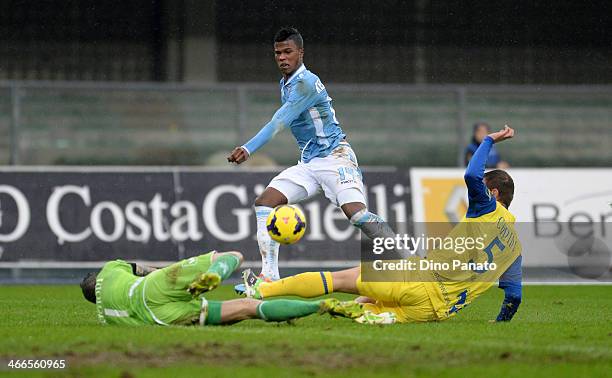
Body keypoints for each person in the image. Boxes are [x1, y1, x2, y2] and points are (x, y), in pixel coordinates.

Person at [241, 125, 523, 324]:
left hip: (418, 280)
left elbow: (472, 175)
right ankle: (368, 313)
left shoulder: (487, 207)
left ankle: (262, 291)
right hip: (435, 310)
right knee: (364, 308)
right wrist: (500, 322)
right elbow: (514, 296)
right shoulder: (515, 247)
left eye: (486, 189)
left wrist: (488, 141)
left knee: (339, 280)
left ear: (494, 193)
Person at [227, 27, 395, 281]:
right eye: (277, 53)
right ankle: (270, 276)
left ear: (301, 53)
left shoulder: (305, 83)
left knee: (357, 214)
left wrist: (248, 148)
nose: (282, 58)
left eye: (288, 52)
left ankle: (407, 257)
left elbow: (278, 122)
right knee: (265, 203)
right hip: (309, 163)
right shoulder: (286, 83)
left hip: (335, 157)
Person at [79, 250, 334, 326]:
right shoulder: (111, 268)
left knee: (247, 309)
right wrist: (172, 274)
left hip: (157, 317)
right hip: (151, 288)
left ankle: (319, 306)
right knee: (233, 255)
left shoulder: (105, 318)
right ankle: (214, 274)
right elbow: (143, 270)